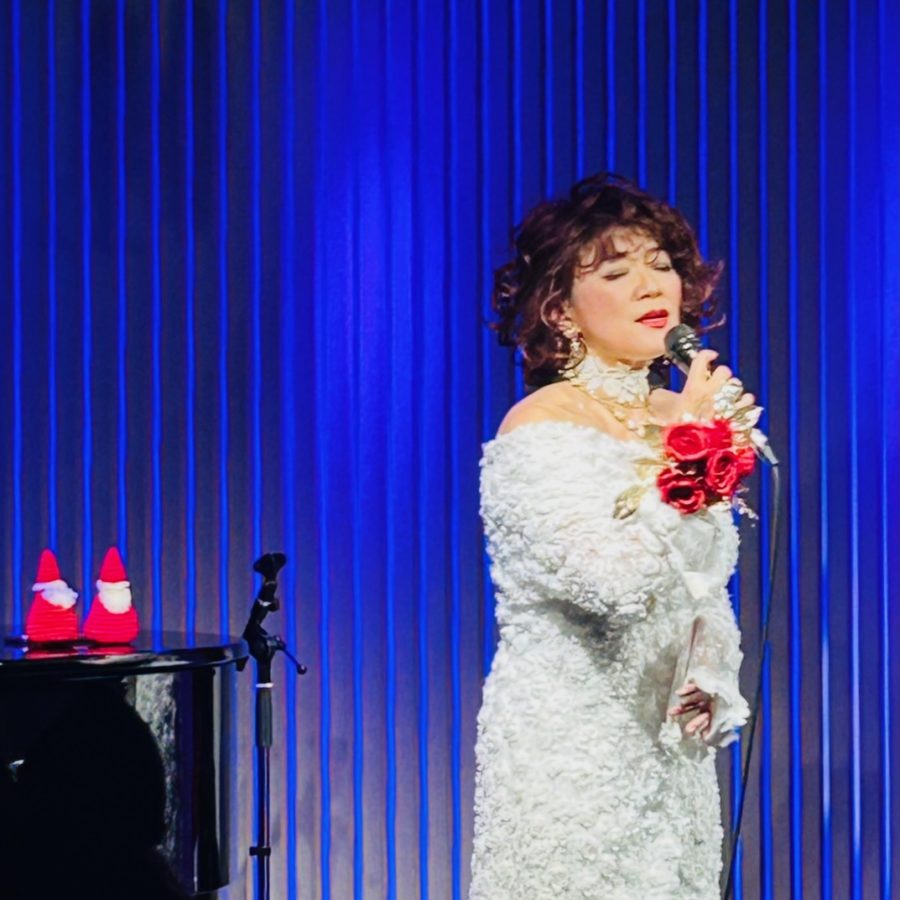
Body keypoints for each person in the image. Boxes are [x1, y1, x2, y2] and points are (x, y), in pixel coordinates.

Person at [469, 173, 752, 899]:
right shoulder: (539, 425)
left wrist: (712, 672)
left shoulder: (676, 415)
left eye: (661, 265)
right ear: (559, 309)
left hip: (671, 762)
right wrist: (689, 458)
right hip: (574, 760)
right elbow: (611, 584)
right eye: (617, 272)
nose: (651, 285)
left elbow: (702, 582)